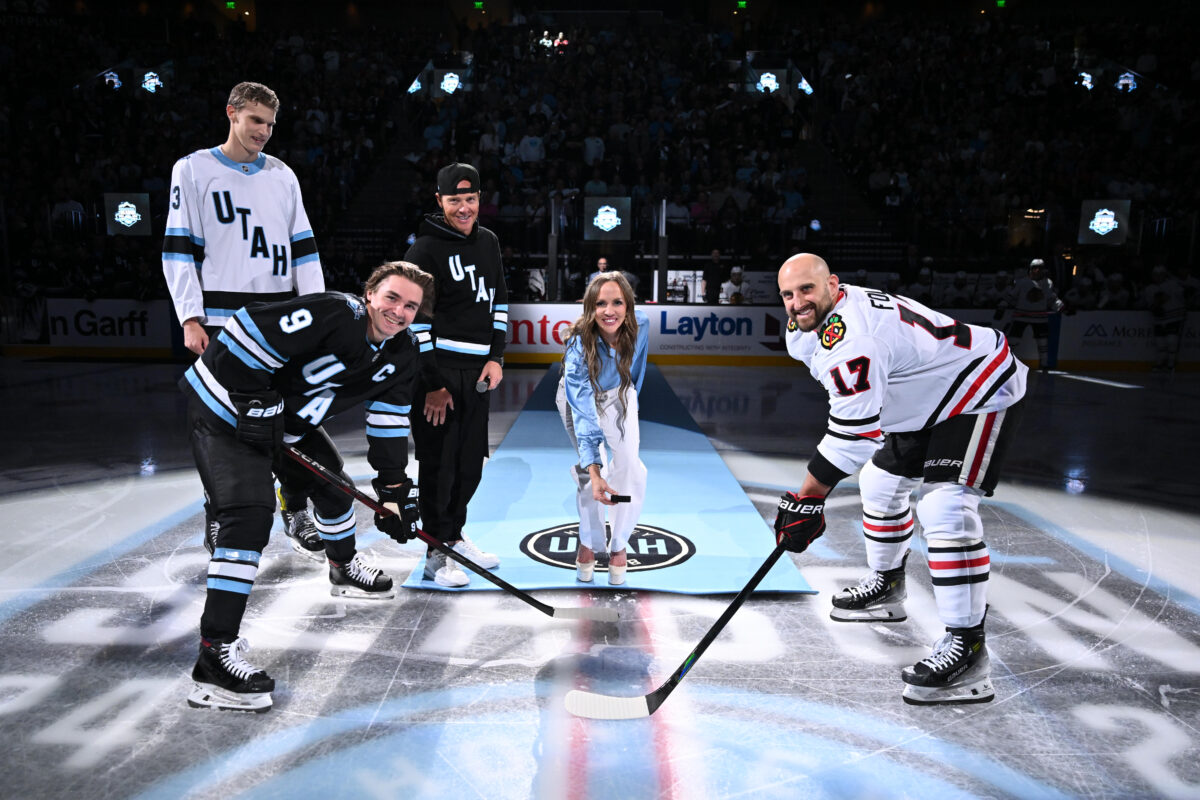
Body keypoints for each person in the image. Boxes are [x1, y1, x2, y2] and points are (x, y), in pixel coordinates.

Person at [772, 253, 1027, 705]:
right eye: (788, 294)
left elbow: (853, 435)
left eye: (807, 289)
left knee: (946, 506)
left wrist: (807, 498)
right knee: (880, 483)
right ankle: (888, 586)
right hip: (925, 395)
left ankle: (969, 649)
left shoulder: (857, 338)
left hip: (977, 389)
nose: (797, 302)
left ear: (833, 284)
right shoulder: (814, 322)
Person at [181, 261, 433, 711]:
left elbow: (389, 420)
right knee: (248, 520)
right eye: (392, 297)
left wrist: (394, 490)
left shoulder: (403, 353)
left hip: (284, 425)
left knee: (334, 487)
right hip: (225, 412)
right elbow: (243, 330)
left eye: (411, 305)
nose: (399, 311)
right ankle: (212, 659)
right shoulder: (337, 313)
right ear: (370, 293)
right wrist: (253, 398)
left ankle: (341, 568)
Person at [163, 81, 327, 563]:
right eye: (256, 120)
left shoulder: (283, 175)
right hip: (221, 318)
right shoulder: (193, 169)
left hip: (280, 318)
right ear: (231, 113)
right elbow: (177, 249)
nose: (264, 132)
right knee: (221, 426)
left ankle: (294, 507)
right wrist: (191, 317)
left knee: (289, 420)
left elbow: (305, 250)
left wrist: (316, 316)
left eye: (271, 124)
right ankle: (220, 508)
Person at [403, 162, 507, 587]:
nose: (463, 208)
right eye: (454, 200)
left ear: (479, 199)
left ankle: (454, 536)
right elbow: (415, 324)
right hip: (439, 374)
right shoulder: (423, 251)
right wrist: (433, 384)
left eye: (470, 199)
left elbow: (499, 302)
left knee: (470, 465)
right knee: (438, 465)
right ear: (439, 200)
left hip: (477, 374)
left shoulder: (489, 243)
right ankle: (435, 551)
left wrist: (496, 357)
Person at [557, 272, 649, 585]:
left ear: (629, 305)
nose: (609, 311)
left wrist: (631, 405)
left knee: (629, 467)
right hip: (579, 398)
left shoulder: (642, 325)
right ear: (589, 308)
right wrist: (597, 471)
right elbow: (583, 412)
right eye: (601, 304)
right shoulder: (577, 345)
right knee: (589, 470)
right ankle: (588, 541)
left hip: (620, 392)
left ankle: (619, 542)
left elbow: (637, 370)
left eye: (617, 302)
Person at [999, 258, 1063, 371]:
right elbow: (1011, 296)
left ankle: (1044, 364)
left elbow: (1051, 298)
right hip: (1021, 315)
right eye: (1035, 268)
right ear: (1030, 269)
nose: (1037, 270)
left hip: (1039, 317)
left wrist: (1060, 306)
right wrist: (1002, 304)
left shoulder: (1047, 283)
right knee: (1013, 341)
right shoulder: (1022, 282)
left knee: (1042, 342)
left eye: (1040, 268)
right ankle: (1005, 362)